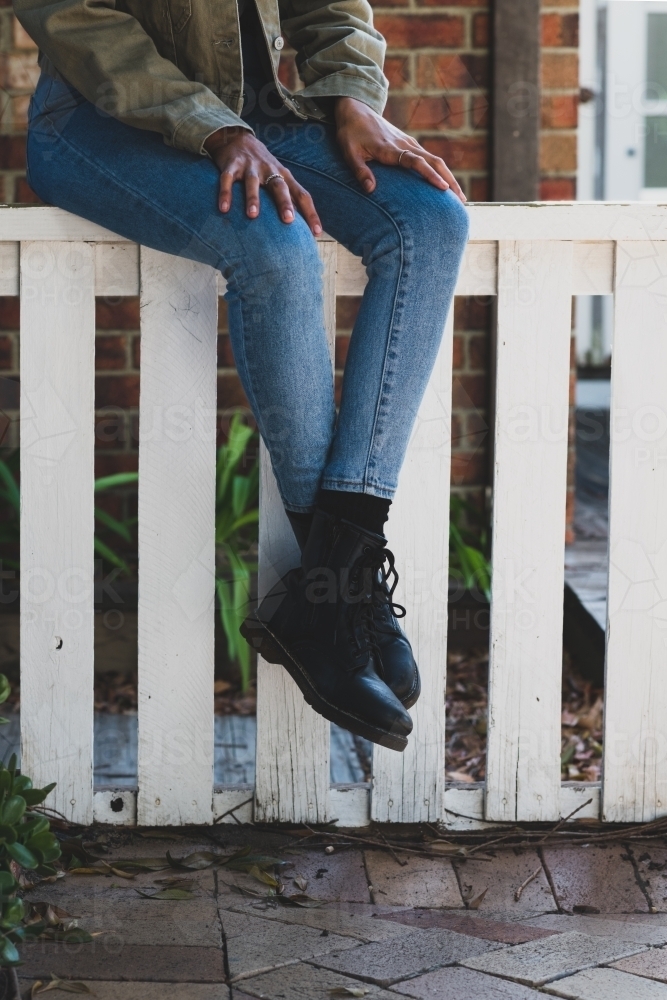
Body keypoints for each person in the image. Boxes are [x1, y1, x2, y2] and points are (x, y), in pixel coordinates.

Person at [16, 0, 469, 753]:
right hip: (100, 123)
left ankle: (330, 585)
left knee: (429, 222)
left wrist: (352, 97)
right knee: (274, 244)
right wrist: (217, 130)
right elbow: (75, 19)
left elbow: (329, 8)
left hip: (259, 121)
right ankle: (337, 596)